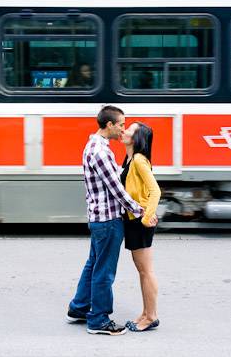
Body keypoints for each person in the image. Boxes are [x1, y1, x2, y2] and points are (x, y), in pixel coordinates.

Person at [66, 105, 144, 336]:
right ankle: (98, 319)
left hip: (100, 218)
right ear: (109, 124)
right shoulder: (100, 151)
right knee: (105, 271)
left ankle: (79, 307)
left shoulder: (94, 146)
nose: (123, 129)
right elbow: (116, 189)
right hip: (108, 219)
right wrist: (138, 210)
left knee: (93, 264)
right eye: (121, 124)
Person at [120, 122, 161, 332]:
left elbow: (156, 191)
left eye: (129, 129)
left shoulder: (138, 160)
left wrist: (147, 217)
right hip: (134, 219)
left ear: (137, 138)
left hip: (140, 220)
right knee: (142, 270)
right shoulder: (130, 159)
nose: (124, 131)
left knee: (146, 271)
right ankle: (145, 313)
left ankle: (151, 316)